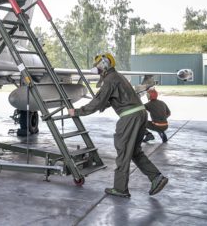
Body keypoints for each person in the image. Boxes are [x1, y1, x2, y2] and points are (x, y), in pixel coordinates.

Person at [68, 52, 168, 198]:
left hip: (130, 117)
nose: (96, 68)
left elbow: (97, 102)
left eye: (97, 65)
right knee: (134, 151)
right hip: (140, 114)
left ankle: (120, 189)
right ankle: (156, 177)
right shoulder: (117, 76)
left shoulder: (110, 80)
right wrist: (105, 104)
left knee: (123, 150)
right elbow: (115, 97)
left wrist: (77, 112)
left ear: (104, 64)